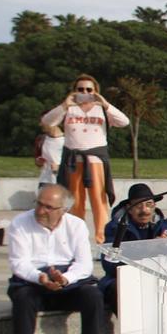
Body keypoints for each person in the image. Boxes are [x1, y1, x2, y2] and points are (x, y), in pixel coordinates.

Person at [5, 184, 108, 334]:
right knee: (22, 297)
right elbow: (18, 263)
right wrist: (40, 278)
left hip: (68, 281)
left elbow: (84, 264)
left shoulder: (76, 225)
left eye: (48, 207)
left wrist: (65, 279)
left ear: (63, 209)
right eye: (39, 204)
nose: (41, 211)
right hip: (33, 281)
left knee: (93, 295)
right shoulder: (20, 223)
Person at [42, 75, 129, 244]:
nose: (85, 92)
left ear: (95, 91)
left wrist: (105, 104)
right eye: (80, 89)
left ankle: (103, 240)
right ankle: (76, 241)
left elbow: (124, 121)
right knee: (75, 203)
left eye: (89, 89)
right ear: (74, 91)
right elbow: (47, 121)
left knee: (99, 202)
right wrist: (64, 105)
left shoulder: (101, 109)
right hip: (73, 162)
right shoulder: (69, 109)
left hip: (96, 160)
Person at [100, 183, 167, 313]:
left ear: (154, 207)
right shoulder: (116, 228)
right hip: (124, 278)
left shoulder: (166, 227)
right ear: (129, 208)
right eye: (139, 205)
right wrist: (149, 249)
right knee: (119, 288)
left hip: (155, 277)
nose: (144, 210)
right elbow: (109, 265)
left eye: (149, 205)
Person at [35, 124, 63, 188]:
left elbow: (73, 163)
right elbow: (37, 158)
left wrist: (59, 168)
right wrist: (38, 161)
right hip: (44, 180)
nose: (40, 124)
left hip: (62, 181)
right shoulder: (41, 139)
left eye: (44, 121)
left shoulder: (67, 140)